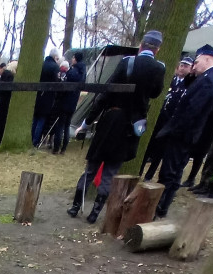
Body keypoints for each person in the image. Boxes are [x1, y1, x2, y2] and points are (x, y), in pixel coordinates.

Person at [67, 30, 165, 224]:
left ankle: (76, 206)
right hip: (130, 127)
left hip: (112, 120)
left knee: (91, 168)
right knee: (110, 172)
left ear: (141, 45)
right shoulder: (159, 68)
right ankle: (94, 213)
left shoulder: (127, 62)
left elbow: (105, 95)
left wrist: (86, 123)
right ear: (157, 49)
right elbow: (155, 93)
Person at [155, 44, 213, 219]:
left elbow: (193, 110)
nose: (194, 65)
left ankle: (159, 206)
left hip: (183, 134)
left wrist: (176, 130)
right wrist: (193, 74)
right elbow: (188, 90)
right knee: (174, 172)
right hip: (185, 133)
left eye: (197, 62)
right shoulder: (207, 77)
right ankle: (161, 206)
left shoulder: (209, 80)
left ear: (207, 59)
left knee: (170, 172)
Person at [142, 56, 193, 181]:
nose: (182, 68)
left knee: (160, 151)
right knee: (148, 147)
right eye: (181, 65)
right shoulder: (170, 80)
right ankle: (140, 170)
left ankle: (149, 175)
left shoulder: (189, 85)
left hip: (170, 121)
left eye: (186, 66)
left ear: (190, 69)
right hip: (159, 119)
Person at [52, 51, 86, 155]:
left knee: (60, 125)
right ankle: (64, 148)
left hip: (65, 101)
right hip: (73, 101)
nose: (72, 59)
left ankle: (56, 148)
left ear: (76, 59)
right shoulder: (82, 72)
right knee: (67, 126)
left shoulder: (72, 71)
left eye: (73, 58)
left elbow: (64, 86)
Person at [31, 48, 60, 147]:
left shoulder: (41, 64)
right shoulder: (55, 67)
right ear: (55, 57)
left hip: (38, 95)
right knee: (41, 119)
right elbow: (57, 82)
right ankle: (35, 141)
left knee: (35, 118)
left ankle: (31, 139)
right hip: (47, 97)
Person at [0, 60, 16, 148]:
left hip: (1, 101)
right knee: (1, 122)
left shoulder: (5, 74)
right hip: (5, 102)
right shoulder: (9, 75)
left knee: (0, 122)